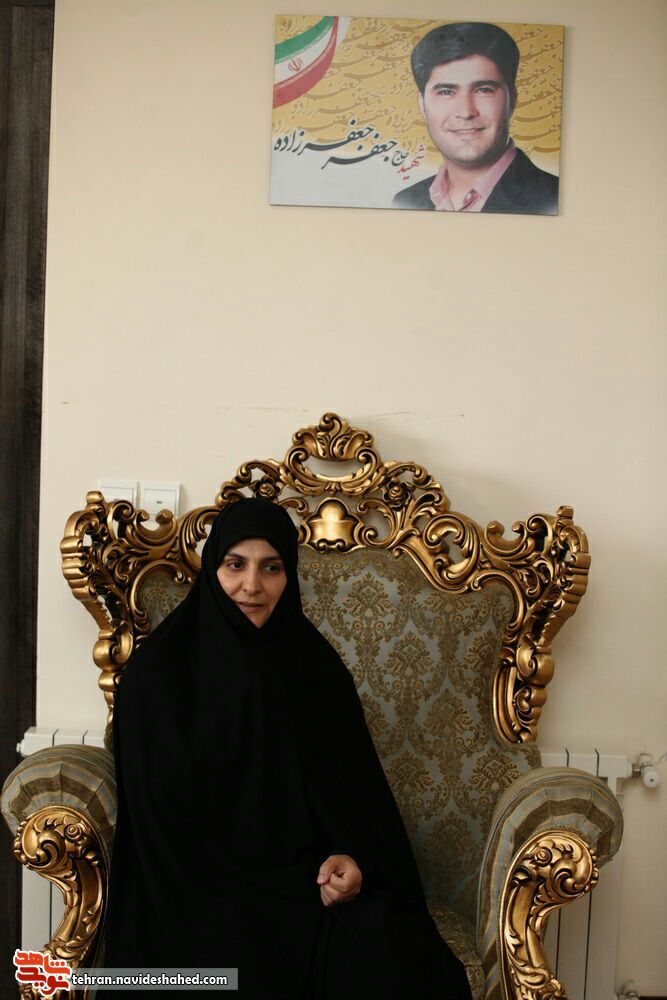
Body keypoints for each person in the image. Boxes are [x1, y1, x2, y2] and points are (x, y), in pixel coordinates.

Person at [101, 497, 472, 998]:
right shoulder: (158, 676)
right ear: (212, 570)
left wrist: (351, 861)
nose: (252, 586)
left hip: (303, 884)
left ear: (289, 575)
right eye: (235, 565)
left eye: (271, 568)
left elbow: (357, 803)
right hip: (194, 891)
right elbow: (157, 827)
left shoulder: (314, 670)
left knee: (393, 961)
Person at [393, 21, 559, 215]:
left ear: (512, 99)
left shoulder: (553, 199)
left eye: (483, 90)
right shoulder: (404, 201)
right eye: (446, 92)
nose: (466, 112)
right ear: (422, 104)